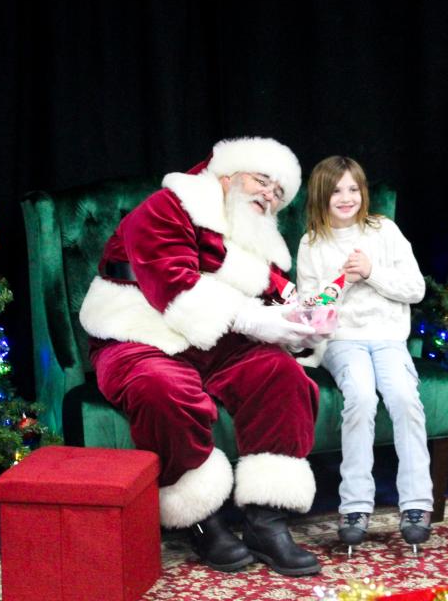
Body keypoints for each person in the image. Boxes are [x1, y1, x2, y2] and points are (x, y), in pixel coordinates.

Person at [78, 136, 325, 577]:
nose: (269, 194)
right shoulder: (166, 207)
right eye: (262, 179)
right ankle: (199, 517)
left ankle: (266, 520)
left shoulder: (252, 238)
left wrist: (299, 329)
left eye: (278, 192)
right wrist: (256, 322)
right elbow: (172, 284)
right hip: (139, 334)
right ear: (228, 175)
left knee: (282, 374)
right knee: (161, 388)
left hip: (218, 344)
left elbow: (270, 300)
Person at [295, 155, 433, 554]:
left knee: (405, 399)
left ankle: (417, 504)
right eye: (337, 190)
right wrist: (343, 279)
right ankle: (355, 506)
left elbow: (415, 289)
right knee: (359, 399)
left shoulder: (384, 231)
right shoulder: (312, 242)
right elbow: (309, 309)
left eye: (353, 188)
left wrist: (371, 271)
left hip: (388, 337)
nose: (346, 197)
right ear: (322, 194)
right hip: (342, 340)